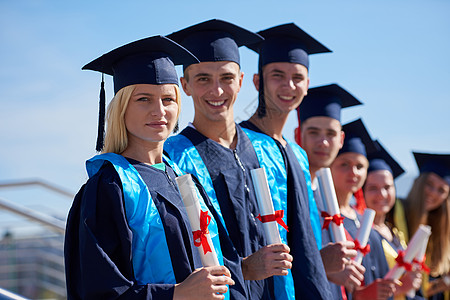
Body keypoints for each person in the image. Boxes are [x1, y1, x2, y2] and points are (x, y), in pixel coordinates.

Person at [64, 35, 246, 300]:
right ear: (121, 108)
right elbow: (99, 290)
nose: (159, 111)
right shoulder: (109, 187)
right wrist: (176, 294)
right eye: (143, 99)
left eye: (168, 99)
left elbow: (225, 266)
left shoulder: (184, 179)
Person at [164, 19, 294, 300]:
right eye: (203, 79)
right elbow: (176, 249)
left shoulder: (268, 151)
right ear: (184, 85)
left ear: (242, 81)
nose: (217, 90)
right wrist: (243, 269)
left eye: (226, 78)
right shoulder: (171, 157)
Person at [239, 23, 344, 299]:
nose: (289, 86)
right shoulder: (238, 143)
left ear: (307, 85)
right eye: (277, 75)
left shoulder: (298, 154)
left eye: (297, 77)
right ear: (257, 81)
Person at [297, 84, 366, 298]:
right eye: (314, 132)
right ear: (299, 135)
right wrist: (321, 266)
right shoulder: (288, 187)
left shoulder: (329, 199)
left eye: (330, 133)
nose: (323, 142)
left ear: (341, 139)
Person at [330, 118, 399, 300]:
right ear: (330, 165)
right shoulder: (322, 217)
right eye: (344, 164)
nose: (353, 172)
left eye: (360, 166)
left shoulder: (367, 225)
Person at [364, 140, 423, 299]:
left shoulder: (394, 231)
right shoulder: (362, 235)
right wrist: (402, 287)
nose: (382, 194)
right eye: (373, 188)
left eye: (387, 187)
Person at [403, 152, 450, 299]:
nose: (433, 193)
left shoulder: (441, 231)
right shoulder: (395, 214)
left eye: (441, 190)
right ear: (419, 182)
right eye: (429, 184)